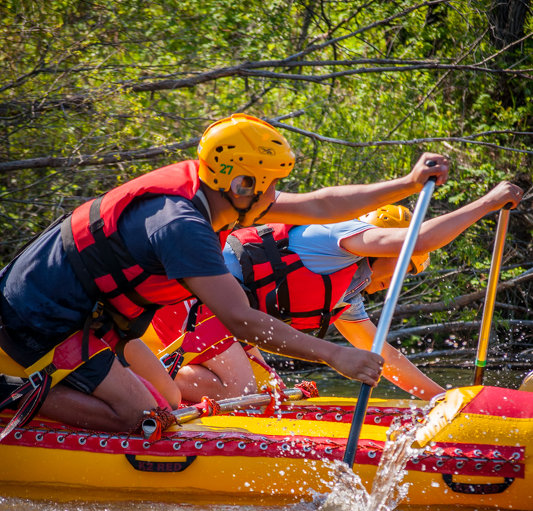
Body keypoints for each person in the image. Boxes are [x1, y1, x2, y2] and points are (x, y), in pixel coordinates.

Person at [0, 113, 450, 434]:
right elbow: (241, 320)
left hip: (92, 317)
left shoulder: (217, 197)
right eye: (271, 183)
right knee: (145, 420)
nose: (276, 194)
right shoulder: (181, 225)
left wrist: (407, 183)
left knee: (171, 401)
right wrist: (335, 357)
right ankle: (10, 391)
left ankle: (62, 388)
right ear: (241, 185)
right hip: (41, 319)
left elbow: (320, 203)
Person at [149, 181, 523, 402]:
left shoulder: (347, 288)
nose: (400, 276)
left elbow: (384, 357)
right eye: (405, 264)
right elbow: (420, 239)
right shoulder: (333, 239)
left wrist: (441, 399)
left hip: (222, 316)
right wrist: (489, 202)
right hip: (190, 299)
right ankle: (141, 376)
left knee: (269, 397)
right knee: (244, 394)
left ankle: (156, 374)